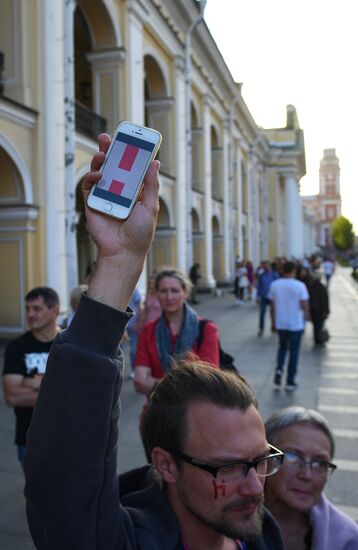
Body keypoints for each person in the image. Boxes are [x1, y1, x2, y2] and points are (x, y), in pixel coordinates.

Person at [24, 133, 285, 550]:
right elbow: (65, 487)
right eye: (229, 467)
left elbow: (168, 373)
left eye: (261, 460)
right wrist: (120, 261)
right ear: (164, 464)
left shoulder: (265, 537)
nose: (256, 487)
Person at [264, 406, 358, 549]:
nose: (307, 475)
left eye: (320, 463)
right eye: (292, 457)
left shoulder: (348, 540)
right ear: (265, 458)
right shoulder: (229, 521)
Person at [134, 267, 220, 397]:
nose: (169, 297)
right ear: (156, 293)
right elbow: (140, 382)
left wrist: (155, 384)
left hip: (195, 414)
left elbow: (207, 382)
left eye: (174, 291)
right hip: (156, 413)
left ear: (185, 292)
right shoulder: (147, 331)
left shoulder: (207, 329)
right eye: (163, 291)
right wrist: (187, 386)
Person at [2, 286, 60, 466]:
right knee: (38, 494)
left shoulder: (70, 344)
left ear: (55, 310)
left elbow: (83, 391)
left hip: (68, 436)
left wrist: (32, 381)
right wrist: (59, 389)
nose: (30, 314)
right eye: (27, 308)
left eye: (37, 308)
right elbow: (12, 396)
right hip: (30, 439)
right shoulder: (17, 347)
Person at [268, 261, 309, 390]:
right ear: (294, 271)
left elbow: (272, 307)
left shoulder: (275, 285)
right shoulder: (300, 285)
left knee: (282, 348)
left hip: (281, 323)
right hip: (295, 324)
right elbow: (304, 306)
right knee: (294, 352)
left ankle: (279, 369)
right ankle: (290, 381)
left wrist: (273, 322)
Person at [300, 269, 329, 346]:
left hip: (314, 309)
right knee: (319, 325)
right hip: (320, 310)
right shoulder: (320, 286)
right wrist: (327, 310)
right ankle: (318, 339)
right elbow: (325, 300)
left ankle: (317, 338)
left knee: (316, 325)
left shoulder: (311, 285)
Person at [256, 261, 277, 337]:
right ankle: (261, 328)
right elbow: (259, 286)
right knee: (262, 313)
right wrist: (257, 296)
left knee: (274, 313)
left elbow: (277, 285)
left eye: (266, 266)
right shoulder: (261, 276)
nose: (265, 268)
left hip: (272, 298)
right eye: (264, 267)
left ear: (269, 266)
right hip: (264, 297)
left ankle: (274, 326)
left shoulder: (274, 275)